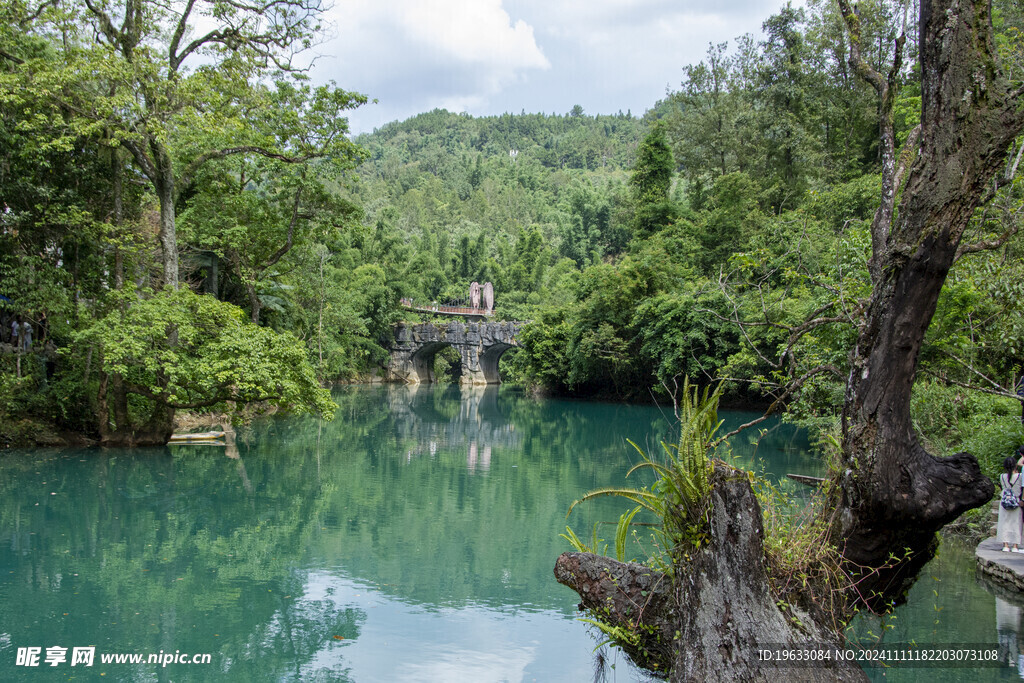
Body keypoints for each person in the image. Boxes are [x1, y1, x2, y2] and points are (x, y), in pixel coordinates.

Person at [999, 452, 1024, 552]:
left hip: (1005, 502)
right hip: (1016, 502)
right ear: (1015, 465)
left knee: (1004, 523)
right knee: (1016, 523)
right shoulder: (1020, 476)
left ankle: (1005, 545)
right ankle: (1015, 546)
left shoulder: (1002, 476)